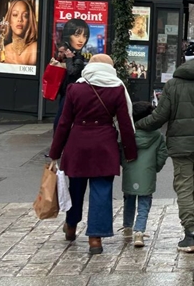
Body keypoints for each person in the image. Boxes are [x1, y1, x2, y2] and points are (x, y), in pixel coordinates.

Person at [135, 42, 194, 253]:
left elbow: (160, 117)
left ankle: (189, 234)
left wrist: (137, 125)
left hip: (180, 145)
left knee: (184, 188)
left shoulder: (173, 85)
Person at [49, 54, 138, 255]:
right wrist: (130, 152)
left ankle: (71, 226)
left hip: (77, 144)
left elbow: (64, 123)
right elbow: (124, 123)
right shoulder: (117, 89)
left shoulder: (75, 88)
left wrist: (55, 152)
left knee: (76, 190)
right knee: (102, 191)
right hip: (104, 146)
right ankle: (95, 238)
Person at [121, 102, 168, 248]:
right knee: (144, 203)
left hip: (129, 173)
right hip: (147, 174)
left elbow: (121, 153)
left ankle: (127, 227)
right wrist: (155, 168)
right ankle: (139, 232)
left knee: (129, 199)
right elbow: (162, 154)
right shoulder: (157, 136)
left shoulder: (127, 134)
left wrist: (125, 166)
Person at [53, 25, 87, 131]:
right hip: (64, 93)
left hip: (70, 94)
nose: (60, 54)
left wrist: (68, 59)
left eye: (62, 52)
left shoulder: (78, 59)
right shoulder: (63, 60)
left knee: (60, 120)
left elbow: (72, 72)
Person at [0, 0, 38, 65]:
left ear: (29, 21)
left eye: (25, 15)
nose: (20, 19)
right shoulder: (4, 50)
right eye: (15, 15)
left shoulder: (35, 48)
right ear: (9, 20)